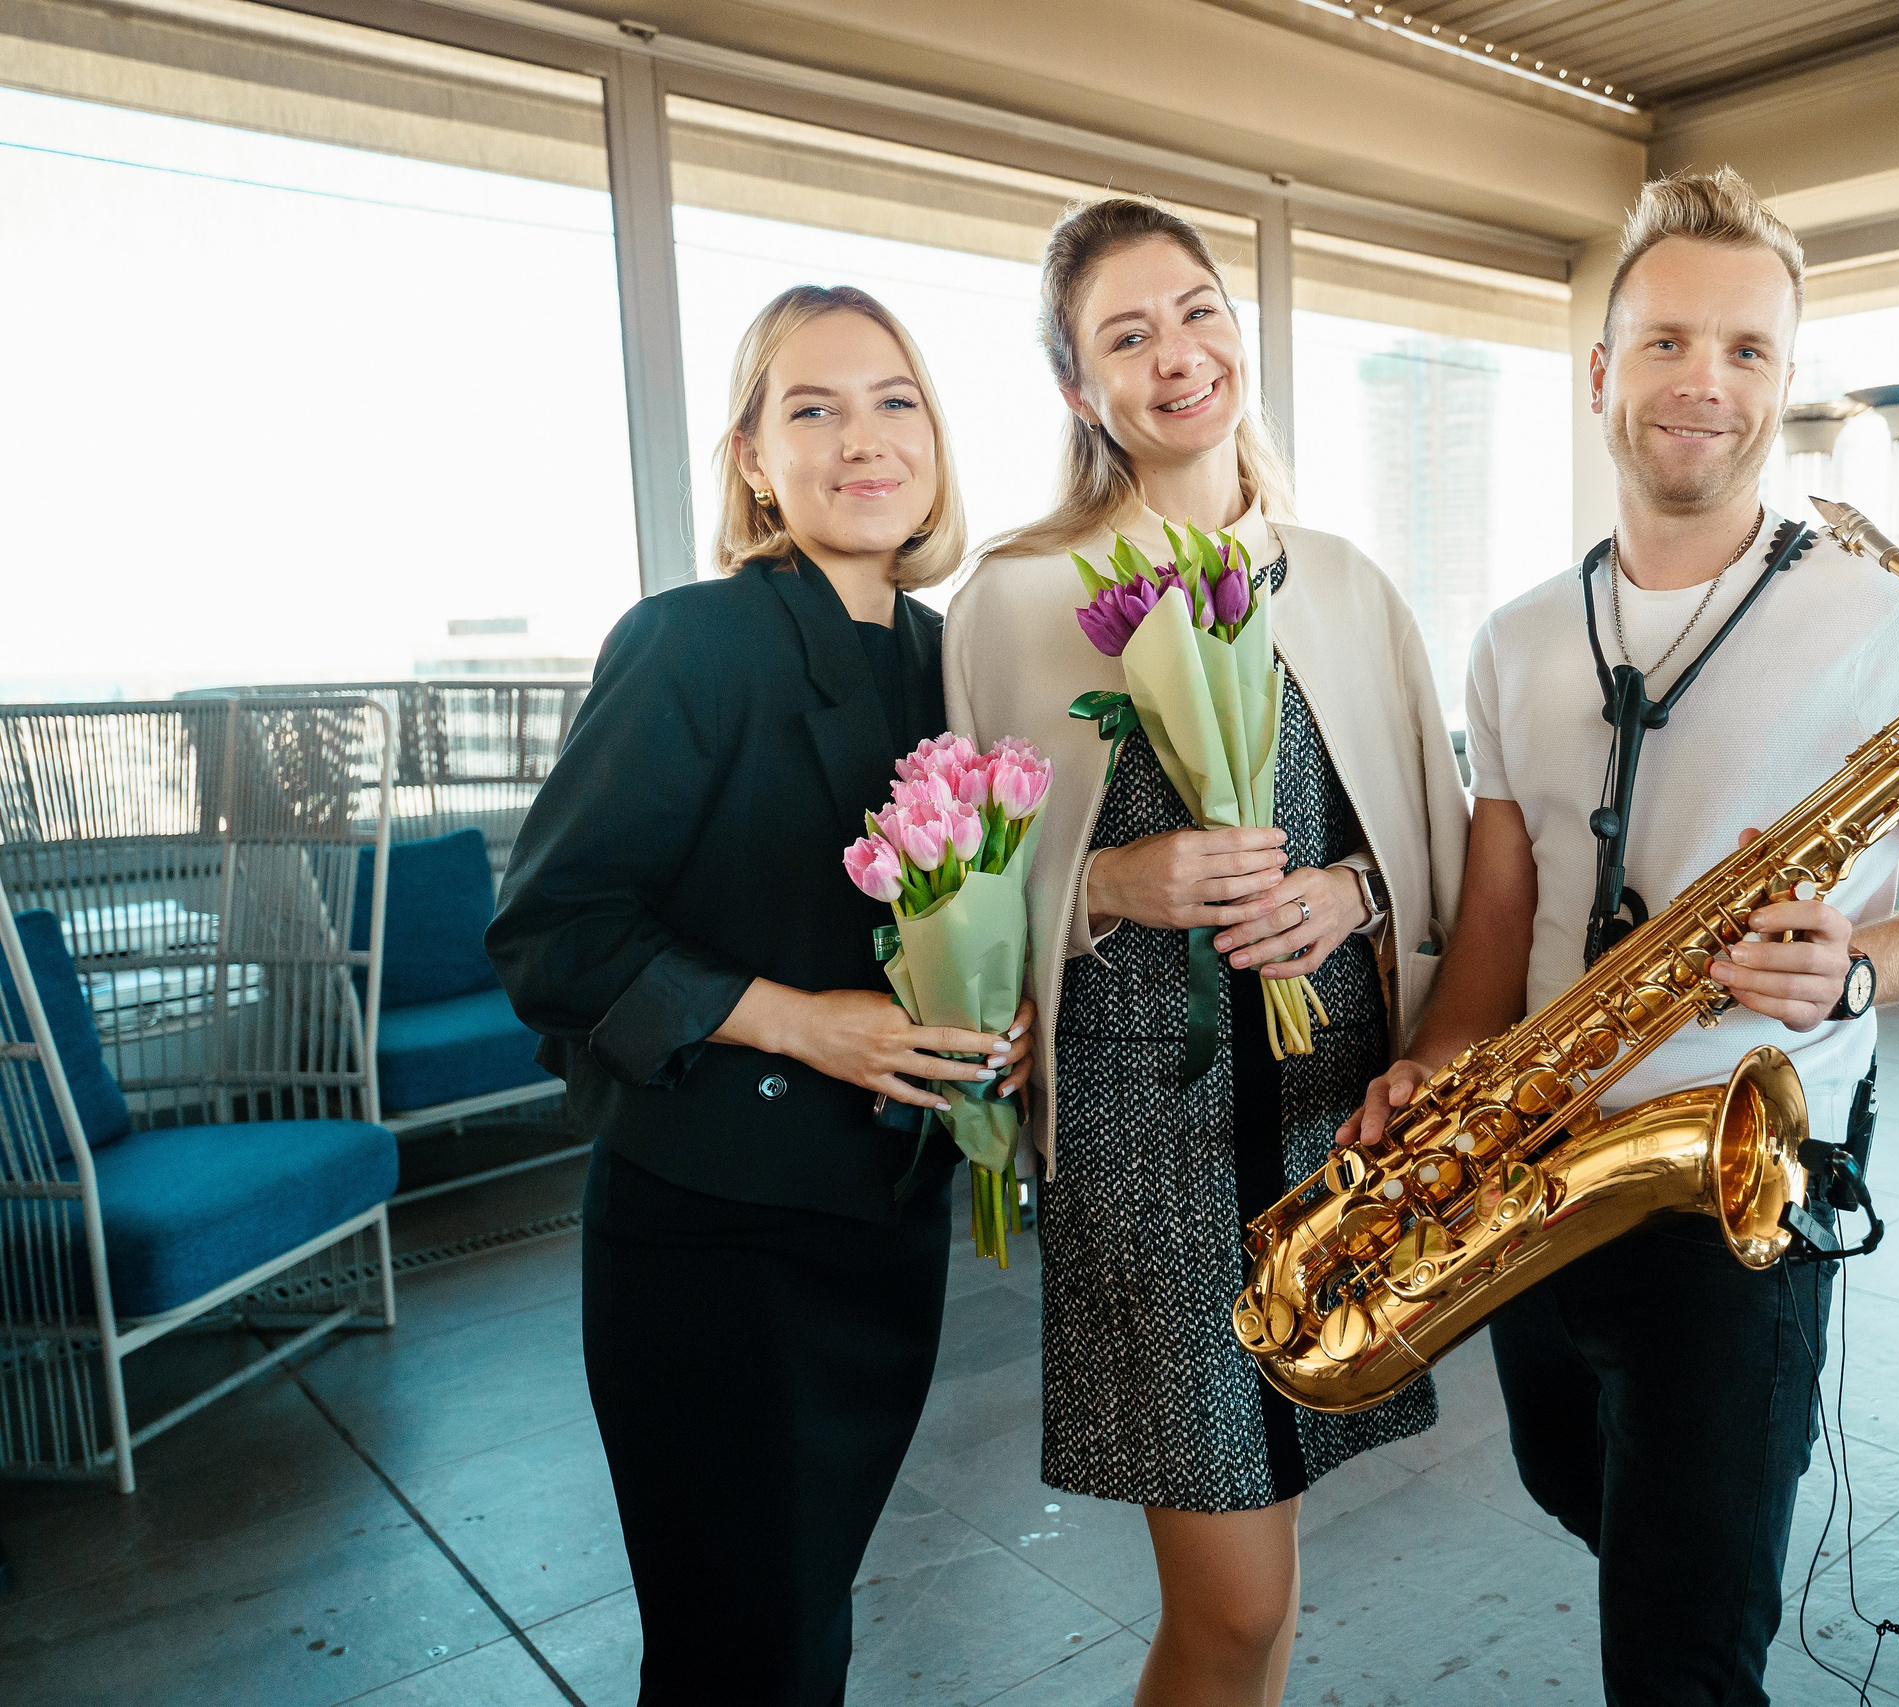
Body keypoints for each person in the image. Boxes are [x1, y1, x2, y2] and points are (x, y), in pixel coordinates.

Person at [1340, 167, 1899, 1707]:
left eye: (1746, 351)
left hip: (1742, 1180)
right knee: (1571, 1484)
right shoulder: (1519, 634)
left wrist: (1861, 965)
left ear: (1781, 382)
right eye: (1668, 341)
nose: (1704, 384)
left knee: (1678, 1646)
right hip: (1537, 1169)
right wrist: (1435, 1070)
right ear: (1601, 370)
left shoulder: (1891, 619)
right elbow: (1500, 915)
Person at [944, 198, 1470, 1707]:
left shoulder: (1344, 581)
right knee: (1234, 1592)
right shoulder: (1019, 596)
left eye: (1196, 311)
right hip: (1141, 1135)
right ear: (1076, 389)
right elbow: (970, 890)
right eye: (1127, 334)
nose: (1177, 356)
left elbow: (1422, 838)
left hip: (1326, 1108)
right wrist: (1111, 876)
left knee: (1272, 1558)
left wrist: (1352, 898)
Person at [487, 286, 1032, 1707]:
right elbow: (554, 930)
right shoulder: (690, 642)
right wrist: (802, 1017)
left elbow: (952, 916)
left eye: (894, 400)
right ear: (750, 454)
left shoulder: (946, 659)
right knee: (747, 1656)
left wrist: (1002, 1016)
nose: (866, 439)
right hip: (718, 1243)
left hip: (882, 1231)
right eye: (815, 407)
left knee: (806, 1626)